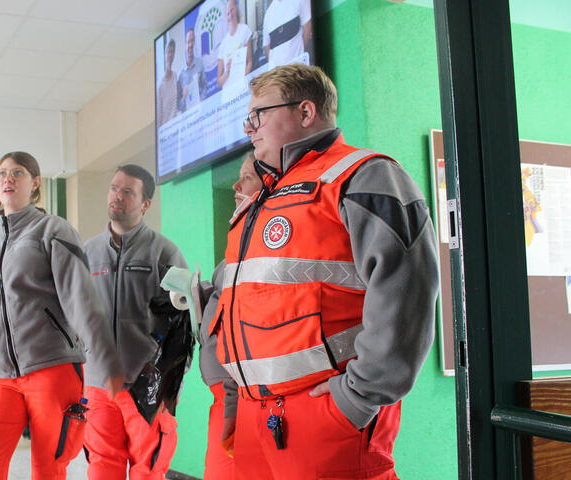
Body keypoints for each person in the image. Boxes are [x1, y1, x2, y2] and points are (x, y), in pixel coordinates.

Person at [213, 64, 438, 479]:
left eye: (259, 114)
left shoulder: (364, 175)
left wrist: (356, 399)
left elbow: (408, 293)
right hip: (257, 417)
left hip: (324, 414)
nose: (249, 128)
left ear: (305, 112)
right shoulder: (262, 197)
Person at [0, 151, 123, 480]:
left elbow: (81, 301)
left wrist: (105, 361)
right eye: (2, 173)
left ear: (35, 183)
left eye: (17, 173)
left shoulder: (53, 231)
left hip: (52, 368)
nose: (8, 179)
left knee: (49, 468)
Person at [83, 165, 187, 480]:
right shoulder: (87, 253)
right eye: (114, 188)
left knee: (149, 469)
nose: (117, 196)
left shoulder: (165, 252)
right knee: (102, 468)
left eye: (128, 191)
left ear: (145, 204)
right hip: (98, 385)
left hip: (147, 384)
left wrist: (172, 382)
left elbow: (183, 323)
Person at [198, 153, 262, 480]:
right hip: (223, 396)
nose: (236, 186)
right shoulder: (233, 255)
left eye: (247, 178)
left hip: (242, 397)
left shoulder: (263, 252)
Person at [262, 0, 312, 68]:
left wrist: (298, 54)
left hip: (297, 68)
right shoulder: (268, 14)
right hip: (277, 73)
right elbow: (267, 47)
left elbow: (307, 30)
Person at [215, 0, 252, 89]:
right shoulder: (223, 44)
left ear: (237, 9)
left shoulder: (244, 30)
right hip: (228, 96)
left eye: (232, 10)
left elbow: (250, 62)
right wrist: (227, 72)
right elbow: (219, 82)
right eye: (228, 13)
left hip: (242, 90)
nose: (230, 14)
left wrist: (242, 81)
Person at [177, 28, 207, 112]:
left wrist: (201, 102)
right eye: (188, 42)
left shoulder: (200, 64)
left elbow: (205, 86)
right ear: (185, 45)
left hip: (200, 113)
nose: (190, 45)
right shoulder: (181, 74)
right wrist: (183, 97)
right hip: (188, 120)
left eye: (192, 41)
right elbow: (178, 105)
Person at [157, 38, 179, 127]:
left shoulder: (176, 76)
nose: (170, 54)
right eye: (168, 52)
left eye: (172, 52)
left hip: (177, 128)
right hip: (166, 133)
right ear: (165, 55)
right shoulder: (160, 86)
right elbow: (159, 116)